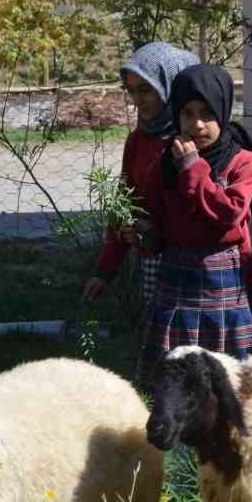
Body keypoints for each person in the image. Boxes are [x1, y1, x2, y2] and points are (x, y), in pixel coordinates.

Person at [137, 63, 252, 387]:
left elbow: (229, 212)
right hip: (176, 280)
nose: (197, 124)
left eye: (207, 113)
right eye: (187, 113)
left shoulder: (242, 162)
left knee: (227, 380)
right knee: (174, 378)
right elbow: (156, 218)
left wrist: (193, 168)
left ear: (222, 111)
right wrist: (143, 232)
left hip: (221, 279)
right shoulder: (165, 164)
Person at [83, 41, 199, 317]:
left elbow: (207, 209)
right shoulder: (138, 142)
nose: (138, 100)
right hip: (154, 266)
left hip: (199, 269)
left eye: (146, 89)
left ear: (170, 86)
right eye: (132, 91)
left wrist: (159, 231)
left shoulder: (196, 141)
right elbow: (125, 206)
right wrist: (105, 270)